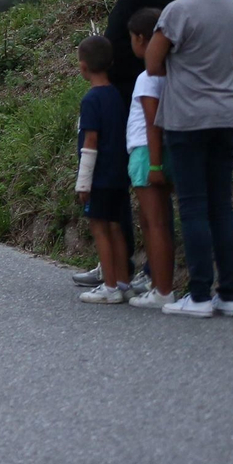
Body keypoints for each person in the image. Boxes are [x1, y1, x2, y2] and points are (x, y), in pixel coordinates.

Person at [145, 0, 233, 318]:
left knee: (193, 206)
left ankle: (200, 294)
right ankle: (230, 294)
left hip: (188, 119)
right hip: (226, 114)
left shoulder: (178, 11)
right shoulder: (231, 7)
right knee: (222, 205)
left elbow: (153, 63)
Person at [75, 0, 173, 289]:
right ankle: (117, 264)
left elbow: (162, 39)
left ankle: (154, 273)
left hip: (146, 106)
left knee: (150, 196)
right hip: (123, 107)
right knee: (115, 185)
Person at [74, 36, 133, 304]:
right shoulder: (116, 95)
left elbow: (90, 142)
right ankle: (122, 281)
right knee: (117, 227)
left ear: (83, 67)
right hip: (120, 173)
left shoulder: (91, 100)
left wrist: (83, 182)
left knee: (100, 228)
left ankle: (109, 287)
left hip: (100, 177)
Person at [124, 8, 176, 309]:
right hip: (158, 152)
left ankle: (162, 288)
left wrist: (154, 165)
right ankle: (160, 286)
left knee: (154, 224)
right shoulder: (171, 73)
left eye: (131, 38)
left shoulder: (147, 78)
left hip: (147, 154)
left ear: (142, 40)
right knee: (156, 221)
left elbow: (152, 122)